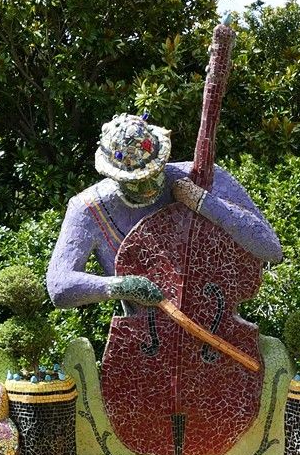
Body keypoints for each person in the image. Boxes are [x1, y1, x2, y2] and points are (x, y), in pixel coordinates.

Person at [46, 112, 281, 311]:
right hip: (149, 337)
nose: (148, 188)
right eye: (135, 182)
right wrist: (119, 286)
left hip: (219, 319)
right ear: (114, 176)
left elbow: (271, 249)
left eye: (154, 175)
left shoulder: (202, 177)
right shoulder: (88, 210)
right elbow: (59, 286)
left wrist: (204, 202)